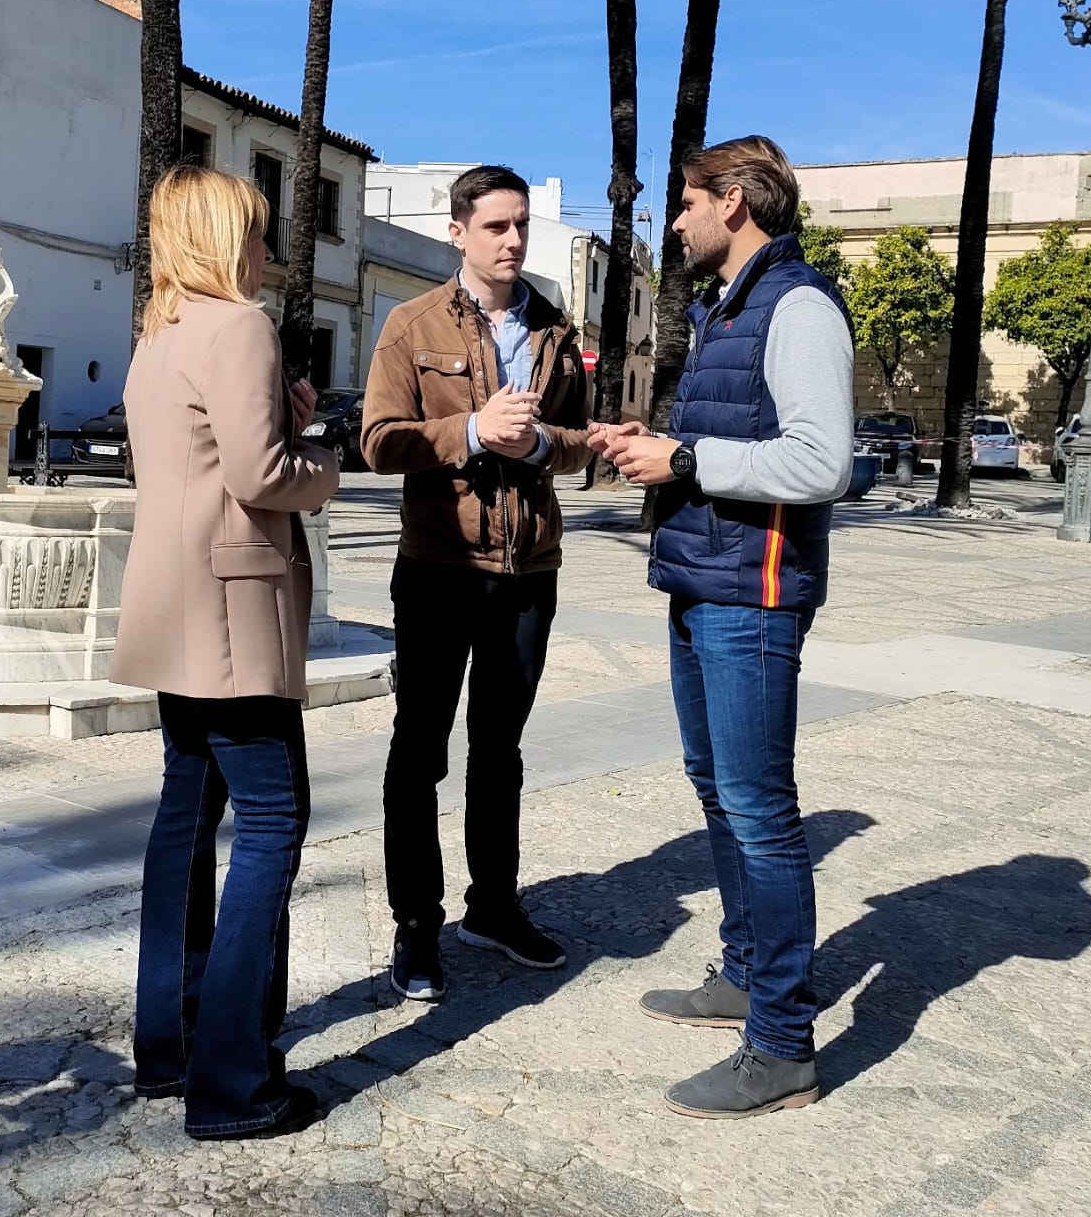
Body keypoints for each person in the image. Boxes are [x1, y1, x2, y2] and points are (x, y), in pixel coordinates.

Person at [590, 135, 854, 1120]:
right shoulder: (728, 309)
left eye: (686, 203)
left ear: (732, 200)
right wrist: (656, 452)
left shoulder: (796, 306)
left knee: (759, 809)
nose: (675, 222)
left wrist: (685, 460)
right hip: (701, 582)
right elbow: (726, 444)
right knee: (717, 788)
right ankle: (745, 973)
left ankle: (781, 1044)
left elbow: (822, 465)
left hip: (752, 596)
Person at [114, 165, 341, 1140]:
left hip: (169, 604)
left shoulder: (156, 338)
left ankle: (168, 1046)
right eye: (254, 229)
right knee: (270, 825)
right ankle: (234, 1082)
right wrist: (320, 460)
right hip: (233, 609)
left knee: (184, 818)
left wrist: (278, 428)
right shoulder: (238, 325)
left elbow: (205, 460)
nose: (266, 247)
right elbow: (258, 476)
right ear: (221, 236)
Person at [361, 165, 591, 1002]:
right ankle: (415, 922)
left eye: (522, 224)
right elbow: (379, 441)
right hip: (438, 568)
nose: (515, 240)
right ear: (458, 232)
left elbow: (579, 439)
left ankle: (493, 906)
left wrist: (536, 448)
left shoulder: (556, 330)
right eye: (496, 226)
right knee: (419, 749)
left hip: (530, 574)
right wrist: (470, 428)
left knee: (500, 751)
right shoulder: (410, 324)